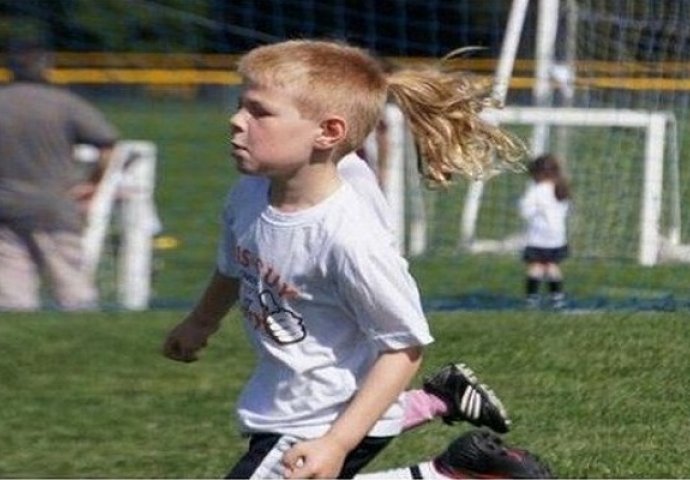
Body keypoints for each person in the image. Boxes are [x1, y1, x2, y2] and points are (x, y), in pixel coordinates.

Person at [163, 39, 548, 479]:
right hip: (289, 402)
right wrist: (200, 323)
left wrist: (337, 442)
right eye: (239, 106)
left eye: (259, 112)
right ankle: (454, 470)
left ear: (328, 133)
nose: (236, 121)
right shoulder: (249, 193)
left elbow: (403, 347)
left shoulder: (349, 238)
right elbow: (235, 265)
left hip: (327, 415)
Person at [0, 41, 119, 311]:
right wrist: (93, 183)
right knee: (71, 282)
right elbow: (107, 145)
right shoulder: (65, 104)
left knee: (11, 287)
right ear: (46, 68)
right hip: (54, 204)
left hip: (6, 204)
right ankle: (80, 326)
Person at [518, 154, 571, 310]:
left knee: (536, 267)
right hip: (557, 238)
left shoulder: (536, 190)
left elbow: (525, 210)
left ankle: (532, 298)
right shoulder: (560, 189)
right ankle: (557, 298)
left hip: (538, 237)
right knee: (552, 266)